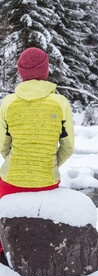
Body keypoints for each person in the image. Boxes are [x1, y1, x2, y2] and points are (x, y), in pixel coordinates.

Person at [0, 47, 74, 262]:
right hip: (46, 179)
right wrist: (50, 163)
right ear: (46, 70)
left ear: (20, 72)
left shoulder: (8, 103)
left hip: (11, 179)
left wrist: (17, 161)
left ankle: (3, 255)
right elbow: (68, 147)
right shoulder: (60, 103)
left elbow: (3, 145)